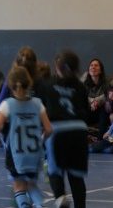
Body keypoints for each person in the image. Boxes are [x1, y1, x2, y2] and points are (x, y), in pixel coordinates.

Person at [0, 66, 52, 208]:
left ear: (10, 86)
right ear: (29, 83)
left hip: (16, 154)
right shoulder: (38, 103)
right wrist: (40, 140)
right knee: (32, 185)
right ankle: (39, 204)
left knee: (19, 187)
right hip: (34, 152)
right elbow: (49, 129)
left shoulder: (7, 104)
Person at [39, 50, 90, 208]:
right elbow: (87, 112)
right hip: (79, 131)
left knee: (54, 171)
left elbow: (41, 109)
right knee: (76, 176)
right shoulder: (81, 87)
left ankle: (60, 197)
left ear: (57, 67)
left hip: (58, 131)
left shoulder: (48, 85)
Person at [82, 58, 110, 140]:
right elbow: (81, 97)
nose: (93, 67)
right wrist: (92, 102)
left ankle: (100, 139)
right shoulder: (83, 83)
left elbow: (109, 96)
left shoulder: (107, 82)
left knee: (104, 109)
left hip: (102, 112)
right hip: (88, 110)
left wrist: (97, 102)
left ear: (101, 70)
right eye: (91, 65)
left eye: (96, 65)